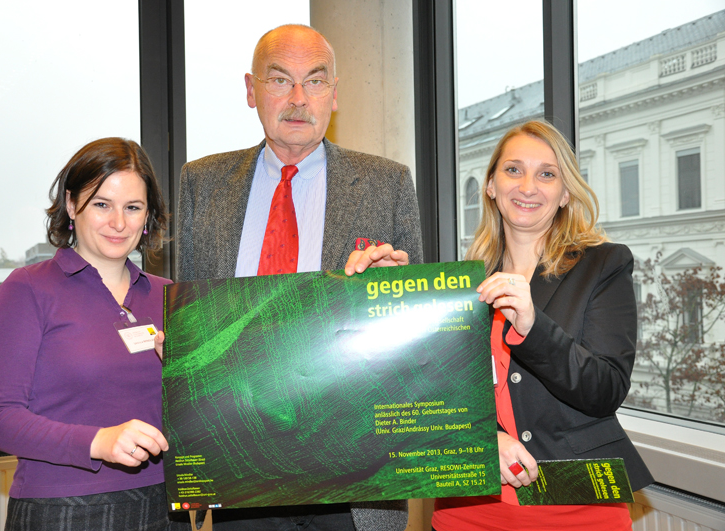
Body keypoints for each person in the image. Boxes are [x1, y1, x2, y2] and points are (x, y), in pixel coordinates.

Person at [177, 23, 423, 531]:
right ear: (251, 90)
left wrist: (394, 296)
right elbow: (189, 328)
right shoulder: (200, 183)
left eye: (314, 81)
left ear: (334, 94)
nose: (297, 98)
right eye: (278, 80)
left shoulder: (388, 183)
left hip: (352, 477)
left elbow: (416, 342)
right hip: (236, 472)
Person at [431, 121, 654, 530]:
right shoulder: (460, 283)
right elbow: (436, 394)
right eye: (513, 170)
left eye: (547, 174)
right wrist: (482, 437)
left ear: (565, 192)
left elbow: (604, 390)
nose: (528, 186)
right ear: (491, 186)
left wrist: (533, 326)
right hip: (472, 504)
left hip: (575, 507)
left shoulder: (603, 265)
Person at [0, 138, 188, 530]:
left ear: (148, 216)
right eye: (102, 204)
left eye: (133, 207)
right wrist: (98, 441)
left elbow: (198, 411)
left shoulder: (168, 295)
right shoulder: (27, 290)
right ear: (72, 205)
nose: (119, 223)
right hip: (63, 508)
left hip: (164, 505)